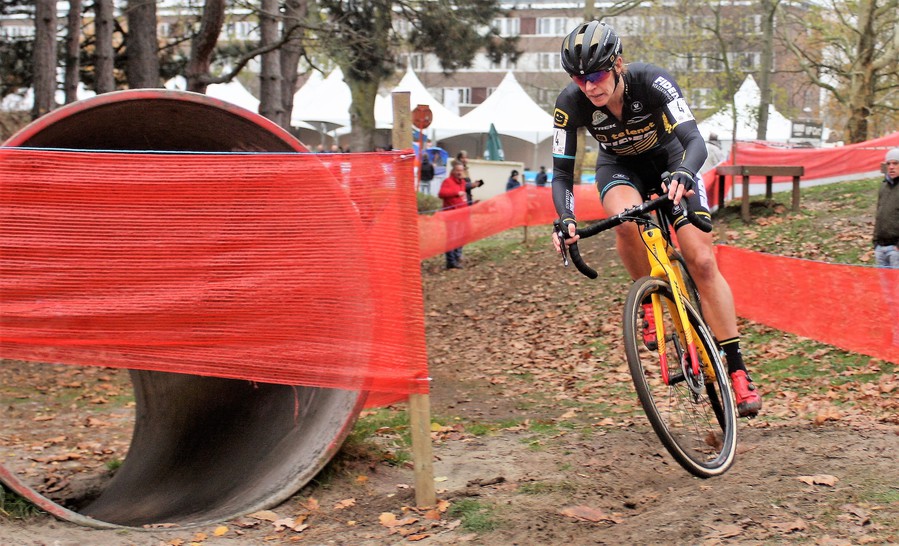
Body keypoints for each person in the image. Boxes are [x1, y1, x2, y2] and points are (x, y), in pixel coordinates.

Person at [550, 21, 762, 417]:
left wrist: (684, 172)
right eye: (579, 79)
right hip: (619, 169)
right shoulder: (570, 103)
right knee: (626, 220)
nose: (589, 86)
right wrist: (565, 218)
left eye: (595, 75)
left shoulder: (652, 81)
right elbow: (562, 172)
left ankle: (736, 367)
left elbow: (694, 139)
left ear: (618, 65)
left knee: (700, 260)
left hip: (672, 160)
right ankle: (649, 295)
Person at [439, 162, 476, 269]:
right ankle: (451, 261)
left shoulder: (463, 182)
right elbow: (442, 194)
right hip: (451, 215)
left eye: (461, 170)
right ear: (453, 171)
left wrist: (471, 205)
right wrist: (456, 192)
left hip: (462, 215)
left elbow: (463, 198)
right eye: (458, 170)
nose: (460, 173)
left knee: (460, 237)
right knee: (451, 238)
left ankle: (457, 257)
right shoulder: (447, 182)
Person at [874, 148, 899, 268]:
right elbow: (879, 214)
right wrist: (875, 241)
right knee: (883, 286)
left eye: (895, 163)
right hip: (880, 247)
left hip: (896, 250)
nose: (891, 167)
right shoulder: (884, 186)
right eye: (889, 163)